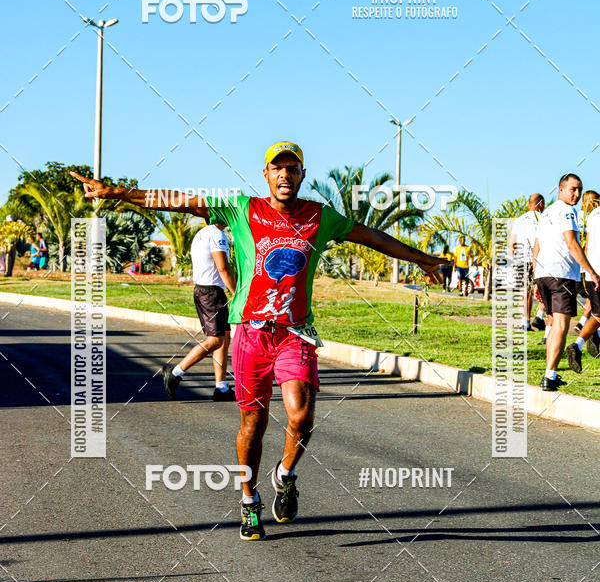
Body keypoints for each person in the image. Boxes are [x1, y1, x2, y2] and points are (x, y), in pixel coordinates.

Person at [72, 143, 445, 540]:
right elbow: (180, 201)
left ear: (302, 175)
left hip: (294, 333)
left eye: (293, 168)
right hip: (250, 331)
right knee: (254, 420)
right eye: (277, 168)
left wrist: (420, 257)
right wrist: (118, 193)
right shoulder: (241, 208)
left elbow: (368, 235)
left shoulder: (320, 217)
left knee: (300, 416)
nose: (285, 175)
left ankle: (285, 475)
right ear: (265, 175)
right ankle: (249, 502)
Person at [531, 173, 600, 391]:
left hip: (544, 274)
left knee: (553, 325)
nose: (577, 194)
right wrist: (591, 271)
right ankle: (550, 377)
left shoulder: (547, 212)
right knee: (561, 325)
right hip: (561, 276)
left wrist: (535, 279)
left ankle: (548, 374)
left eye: (580, 189)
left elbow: (537, 246)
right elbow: (572, 243)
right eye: (573, 189)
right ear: (560, 189)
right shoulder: (568, 212)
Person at [162, 223, 236, 402]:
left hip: (207, 291)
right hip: (211, 293)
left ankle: (222, 388)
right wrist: (237, 293)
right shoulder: (216, 234)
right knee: (215, 340)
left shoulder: (203, 233)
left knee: (224, 337)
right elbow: (223, 268)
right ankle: (175, 372)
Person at [565, 196, 600, 372]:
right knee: (598, 314)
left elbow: (586, 246)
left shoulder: (593, 216)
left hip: (590, 271)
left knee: (598, 313)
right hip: (596, 272)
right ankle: (581, 343)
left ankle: (582, 343)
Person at [509, 193, 545, 330]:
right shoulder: (541, 218)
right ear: (540, 204)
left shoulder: (519, 220)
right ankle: (538, 317)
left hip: (520, 260)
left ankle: (524, 321)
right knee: (540, 290)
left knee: (523, 291)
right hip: (535, 259)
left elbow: (512, 244)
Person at [573, 191, 600, 334]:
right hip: (588, 268)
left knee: (595, 303)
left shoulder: (588, 217)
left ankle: (584, 324)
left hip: (586, 268)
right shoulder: (584, 217)